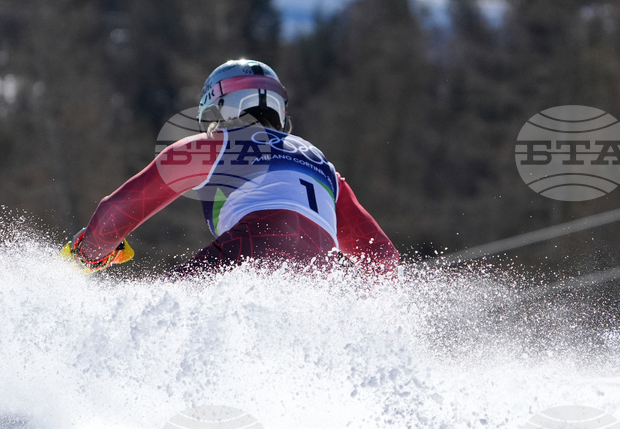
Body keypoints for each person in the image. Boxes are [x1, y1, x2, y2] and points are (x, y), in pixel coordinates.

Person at [66, 59, 399, 279]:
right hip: (318, 282)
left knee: (151, 321)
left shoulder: (219, 145)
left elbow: (120, 207)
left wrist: (90, 253)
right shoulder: (323, 167)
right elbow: (383, 258)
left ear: (218, 109)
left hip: (249, 252)